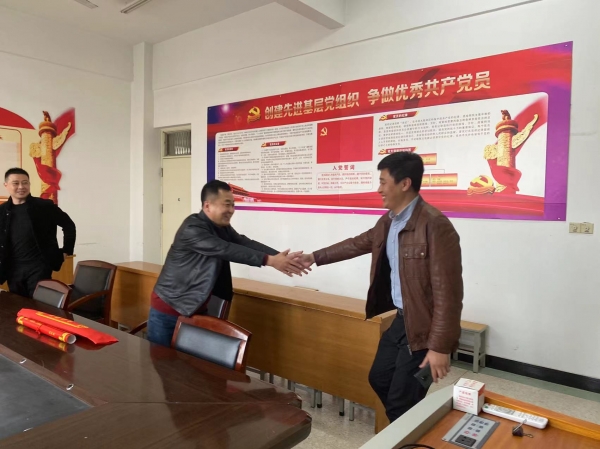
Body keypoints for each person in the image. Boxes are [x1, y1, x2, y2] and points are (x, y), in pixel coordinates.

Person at [298, 152, 463, 423]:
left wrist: (440, 347)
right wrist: (314, 257)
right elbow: (358, 243)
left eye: (383, 182)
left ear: (405, 183)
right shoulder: (389, 221)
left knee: (401, 401)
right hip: (401, 320)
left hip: (424, 327)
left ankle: (408, 431)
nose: (379, 189)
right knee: (380, 378)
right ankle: (410, 425)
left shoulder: (434, 225)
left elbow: (449, 294)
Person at [147, 180, 308, 347]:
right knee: (161, 359)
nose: (231, 210)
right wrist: (271, 261)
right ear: (208, 206)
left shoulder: (221, 227)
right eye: (227, 205)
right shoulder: (192, 228)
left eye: (233, 205)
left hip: (196, 308)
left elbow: (243, 243)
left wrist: (280, 257)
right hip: (170, 307)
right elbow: (226, 249)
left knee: (193, 360)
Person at [0, 168, 76, 298]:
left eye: (25, 182)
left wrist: (66, 250)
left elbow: (69, 225)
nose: (21, 187)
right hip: (13, 269)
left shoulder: (44, 206)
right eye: (16, 183)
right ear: (6, 185)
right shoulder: (2, 211)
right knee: (18, 304)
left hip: (39, 267)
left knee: (39, 304)